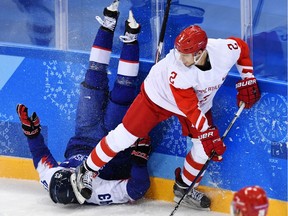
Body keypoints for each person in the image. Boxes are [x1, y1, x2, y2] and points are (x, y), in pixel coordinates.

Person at [74, 16, 261, 210]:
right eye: (179, 52)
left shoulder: (223, 51)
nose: (180, 58)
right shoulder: (178, 71)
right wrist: (207, 132)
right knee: (125, 136)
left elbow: (242, 48)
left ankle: (184, 188)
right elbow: (188, 107)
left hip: (199, 105)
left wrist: (248, 78)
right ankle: (87, 170)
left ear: (200, 52)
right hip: (157, 98)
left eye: (186, 54)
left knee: (204, 149)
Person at [16, 0, 151, 205]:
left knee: (94, 76)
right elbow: (136, 189)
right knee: (124, 89)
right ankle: (131, 37)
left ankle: (108, 23)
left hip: (84, 132)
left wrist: (32, 135)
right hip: (112, 141)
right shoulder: (95, 193)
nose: (69, 171)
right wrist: (139, 162)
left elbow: (40, 156)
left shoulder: (51, 179)